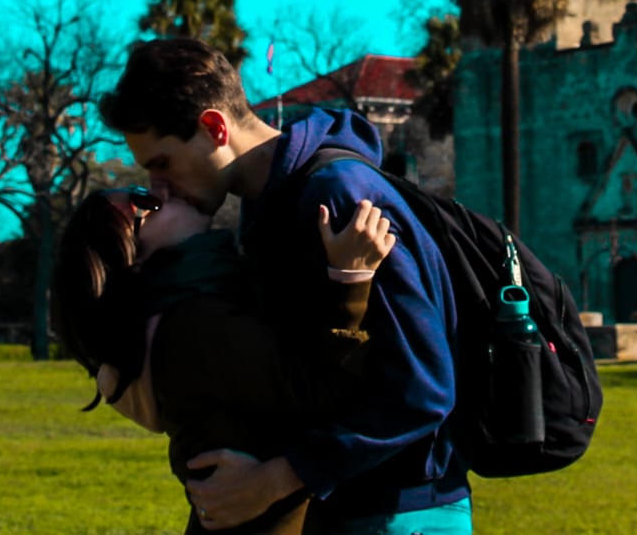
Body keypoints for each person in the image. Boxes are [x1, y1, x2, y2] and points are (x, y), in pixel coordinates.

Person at [99, 37, 471, 535]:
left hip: (403, 509)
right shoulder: (268, 202)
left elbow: (424, 388)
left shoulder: (339, 195)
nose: (158, 188)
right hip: (342, 504)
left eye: (162, 163)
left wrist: (275, 480)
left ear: (214, 128)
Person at [53, 183, 397, 535]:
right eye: (145, 202)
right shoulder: (190, 328)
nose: (163, 190)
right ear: (133, 259)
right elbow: (330, 396)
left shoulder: (189, 314)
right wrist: (351, 281)